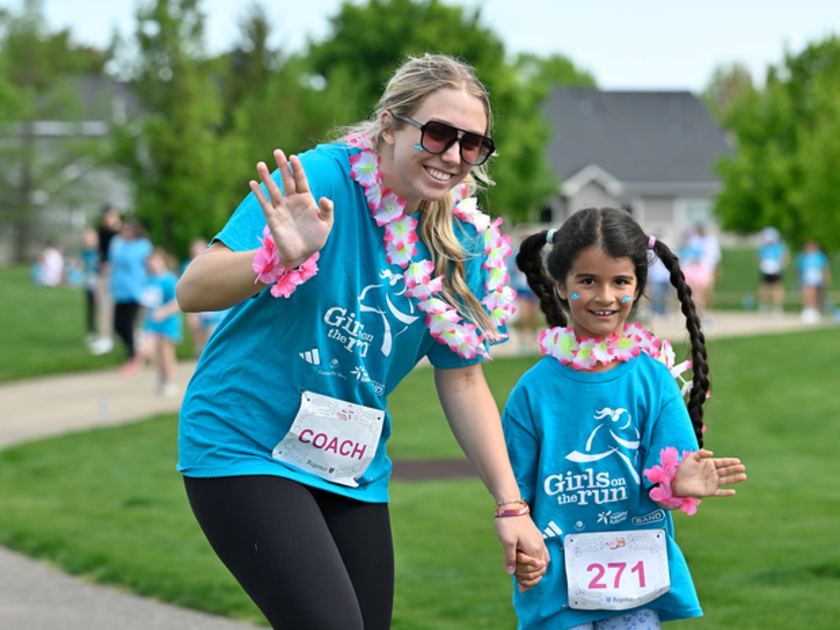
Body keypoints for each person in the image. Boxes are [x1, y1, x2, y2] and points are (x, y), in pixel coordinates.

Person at [176, 53, 549, 630]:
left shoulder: (460, 244)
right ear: (390, 125)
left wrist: (511, 505)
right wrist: (276, 258)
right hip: (244, 441)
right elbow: (192, 289)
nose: (452, 155)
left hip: (350, 465)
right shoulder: (320, 181)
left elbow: (464, 377)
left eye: (471, 144)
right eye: (438, 132)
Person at [504, 207, 747, 630]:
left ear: (637, 287)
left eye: (620, 282)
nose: (605, 296)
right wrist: (524, 551)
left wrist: (677, 482)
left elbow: (671, 466)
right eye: (587, 281)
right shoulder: (532, 391)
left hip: (634, 584)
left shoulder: (653, 379)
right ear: (561, 286)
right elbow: (515, 494)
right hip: (556, 581)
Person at [108, 218, 153, 373]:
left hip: (134, 289)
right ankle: (136, 349)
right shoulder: (119, 245)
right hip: (119, 290)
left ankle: (133, 357)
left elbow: (148, 266)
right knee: (118, 325)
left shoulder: (143, 246)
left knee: (128, 324)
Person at [138, 248, 183, 396]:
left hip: (167, 321)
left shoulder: (170, 280)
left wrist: (163, 311)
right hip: (152, 323)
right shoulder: (149, 280)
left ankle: (170, 381)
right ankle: (162, 374)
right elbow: (147, 301)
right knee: (147, 350)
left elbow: (177, 301)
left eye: (155, 260)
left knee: (166, 352)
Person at [180, 237, 228, 356]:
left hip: (213, 302)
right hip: (197, 303)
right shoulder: (187, 266)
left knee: (212, 333)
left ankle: (211, 354)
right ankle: (200, 350)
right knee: (197, 328)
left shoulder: (215, 263)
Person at [89, 205, 123, 355]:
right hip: (105, 273)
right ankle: (105, 336)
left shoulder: (122, 233)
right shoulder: (102, 233)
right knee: (104, 304)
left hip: (120, 274)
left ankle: (121, 334)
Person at [756, 226, 789, 316]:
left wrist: (780, 267)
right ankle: (763, 306)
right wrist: (763, 266)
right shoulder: (763, 247)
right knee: (764, 288)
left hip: (777, 271)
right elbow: (758, 259)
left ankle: (777, 308)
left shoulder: (780, 246)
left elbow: (785, 258)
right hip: (766, 271)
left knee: (777, 289)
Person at [796, 239, 831, 325]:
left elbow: (824, 268)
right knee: (806, 293)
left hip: (816, 277)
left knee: (814, 293)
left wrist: (826, 278)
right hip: (806, 277)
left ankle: (813, 310)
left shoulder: (820, 256)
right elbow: (798, 268)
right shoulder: (802, 256)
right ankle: (806, 309)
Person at [79, 228, 101, 346]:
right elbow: (81, 265)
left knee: (101, 309)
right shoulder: (83, 251)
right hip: (89, 284)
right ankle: (91, 332)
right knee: (90, 309)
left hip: (100, 283)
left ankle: (102, 332)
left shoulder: (99, 251)